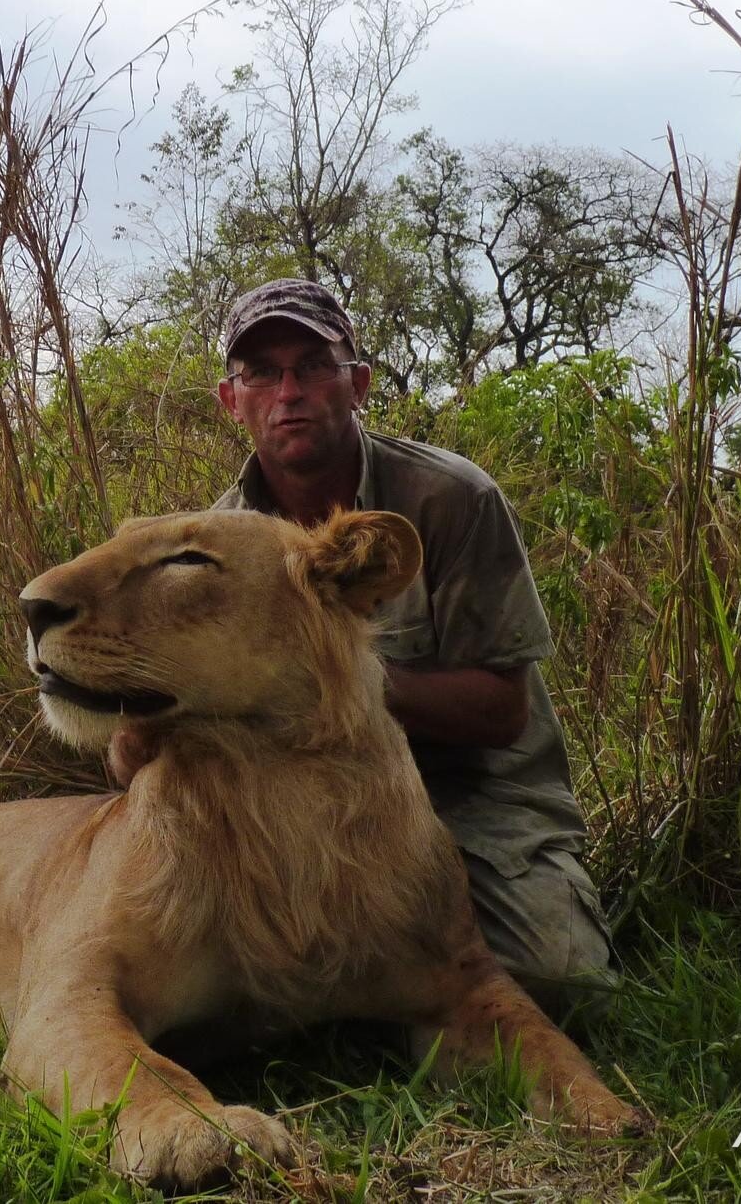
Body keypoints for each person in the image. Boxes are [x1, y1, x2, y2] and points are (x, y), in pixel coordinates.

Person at [208, 277, 614, 1015]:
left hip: (467, 797)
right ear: (231, 402)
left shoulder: (449, 498)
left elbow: (501, 713)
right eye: (260, 373)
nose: (288, 391)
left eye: (313, 365)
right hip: (306, 809)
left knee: (560, 979)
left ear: (358, 383)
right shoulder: (218, 543)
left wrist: (333, 673)